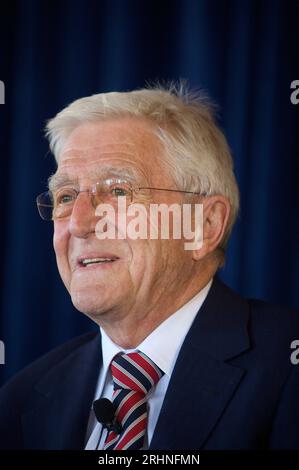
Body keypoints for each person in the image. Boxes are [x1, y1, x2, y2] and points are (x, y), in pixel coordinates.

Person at [0, 84, 298, 450]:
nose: (78, 223)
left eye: (119, 192)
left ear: (202, 226)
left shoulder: (287, 370)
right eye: (64, 197)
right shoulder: (20, 400)